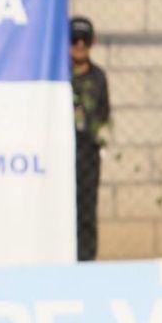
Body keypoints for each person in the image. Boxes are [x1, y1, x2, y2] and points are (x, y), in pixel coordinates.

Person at [70, 16, 109, 262]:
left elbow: (104, 115)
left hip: (87, 154)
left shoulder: (98, 77)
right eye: (74, 39)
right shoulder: (59, 76)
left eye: (84, 39)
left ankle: (86, 261)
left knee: (86, 209)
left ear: (93, 41)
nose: (80, 44)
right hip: (63, 152)